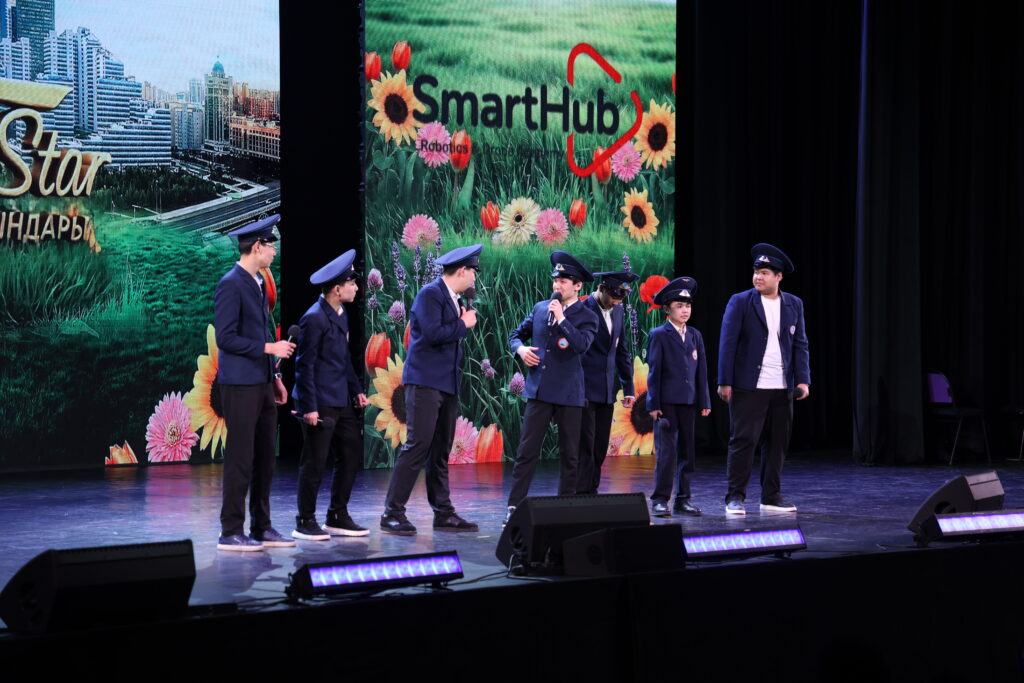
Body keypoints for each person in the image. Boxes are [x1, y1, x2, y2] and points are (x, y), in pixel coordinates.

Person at [380, 244, 483, 536]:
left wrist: (460, 320)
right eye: (473, 272)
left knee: (440, 451)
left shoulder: (452, 299)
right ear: (461, 271)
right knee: (418, 445)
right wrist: (463, 324)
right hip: (425, 382)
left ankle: (444, 513)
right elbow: (433, 334)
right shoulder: (430, 294)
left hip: (446, 383)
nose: (474, 278)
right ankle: (392, 513)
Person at [214, 215, 296, 551]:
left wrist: (274, 376)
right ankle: (231, 530)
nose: (275, 251)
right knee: (240, 457)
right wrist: (269, 349)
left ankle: (262, 526)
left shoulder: (258, 282)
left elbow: (260, 330)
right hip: (239, 384)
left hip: (261, 381)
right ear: (258, 247)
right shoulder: (231, 283)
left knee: (265, 457)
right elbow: (225, 338)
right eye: (271, 245)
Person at [506, 251, 600, 523]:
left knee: (570, 455)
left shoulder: (587, 315)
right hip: (539, 391)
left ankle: (564, 509)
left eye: (563, 281)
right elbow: (515, 335)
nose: (557, 286)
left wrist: (561, 318)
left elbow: (581, 345)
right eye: (555, 280)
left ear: (578, 285)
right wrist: (520, 350)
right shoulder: (540, 308)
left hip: (569, 393)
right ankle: (513, 507)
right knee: (526, 452)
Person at [717, 243, 810, 515]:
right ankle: (735, 497)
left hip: (782, 386)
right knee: (743, 442)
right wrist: (724, 381)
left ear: (778, 276)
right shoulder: (740, 301)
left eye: (765, 272)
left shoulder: (794, 304)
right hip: (749, 386)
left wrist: (803, 380)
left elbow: (800, 344)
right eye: (756, 271)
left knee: (777, 444)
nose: (758, 276)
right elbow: (727, 343)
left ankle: (771, 496)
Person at [291, 250, 370, 540]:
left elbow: (343, 359)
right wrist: (309, 407)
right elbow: (304, 366)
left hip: (339, 398)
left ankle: (337, 515)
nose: (356, 288)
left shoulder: (340, 313)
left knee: (351, 452)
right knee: (314, 461)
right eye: (352, 283)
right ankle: (305, 519)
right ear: (337, 289)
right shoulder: (314, 318)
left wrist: (356, 390)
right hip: (318, 400)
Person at [646, 277, 710, 517]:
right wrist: (653, 404)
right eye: (680, 306)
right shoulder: (659, 334)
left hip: (688, 402)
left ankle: (684, 499)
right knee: (666, 453)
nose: (685, 310)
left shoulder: (694, 335)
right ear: (667, 309)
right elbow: (654, 372)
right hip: (666, 403)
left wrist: (704, 401)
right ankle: (660, 499)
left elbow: (701, 371)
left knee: (687, 453)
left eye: (688, 306)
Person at [576, 271, 638, 495]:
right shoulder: (582, 309)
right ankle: (580, 493)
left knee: (600, 446)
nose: (617, 302)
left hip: (606, 391)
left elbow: (622, 351)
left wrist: (628, 387)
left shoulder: (618, 310)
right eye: (614, 296)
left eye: (621, 298)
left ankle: (591, 490)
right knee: (585, 445)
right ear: (601, 289)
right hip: (583, 389)